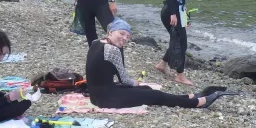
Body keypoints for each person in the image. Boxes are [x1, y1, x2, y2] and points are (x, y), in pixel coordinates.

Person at [86, 18, 232, 109]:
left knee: (147, 89)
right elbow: (124, 80)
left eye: (127, 36)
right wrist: (135, 83)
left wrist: (137, 85)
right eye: (121, 34)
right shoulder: (113, 50)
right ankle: (197, 103)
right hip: (106, 98)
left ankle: (189, 96)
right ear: (110, 31)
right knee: (155, 96)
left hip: (97, 94)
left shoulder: (95, 42)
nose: (124, 39)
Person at [155, 0, 202, 85]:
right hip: (171, 13)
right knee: (181, 43)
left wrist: (183, 9)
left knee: (177, 39)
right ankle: (180, 75)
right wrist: (173, 14)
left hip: (177, 11)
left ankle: (162, 65)